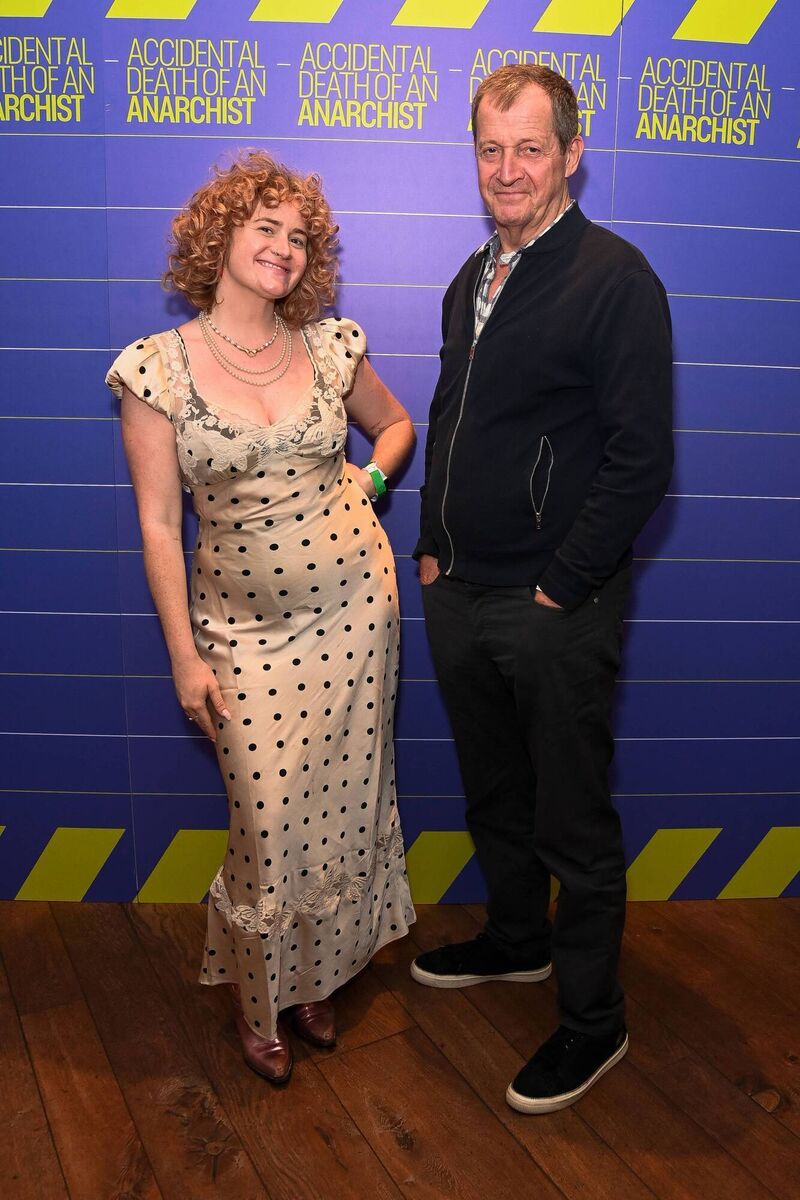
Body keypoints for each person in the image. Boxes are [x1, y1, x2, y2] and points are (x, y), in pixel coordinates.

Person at [106, 150, 416, 1084]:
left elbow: (397, 426)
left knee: (343, 812)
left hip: (358, 617)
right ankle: (258, 1000)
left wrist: (366, 482)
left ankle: (315, 977)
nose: (283, 248)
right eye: (264, 228)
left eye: (299, 236)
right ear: (220, 236)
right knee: (269, 822)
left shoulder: (329, 345)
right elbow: (161, 525)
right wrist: (182, 658)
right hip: (241, 639)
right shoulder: (157, 370)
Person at [410, 64, 673, 1113]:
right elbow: (454, 422)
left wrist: (562, 588)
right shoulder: (467, 279)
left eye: (529, 148)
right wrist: (431, 546)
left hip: (552, 606)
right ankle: (517, 942)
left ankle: (590, 1023)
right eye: (489, 149)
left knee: (569, 820)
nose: (506, 169)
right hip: (460, 590)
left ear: (570, 153)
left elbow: (638, 459)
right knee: (494, 795)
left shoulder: (614, 277)